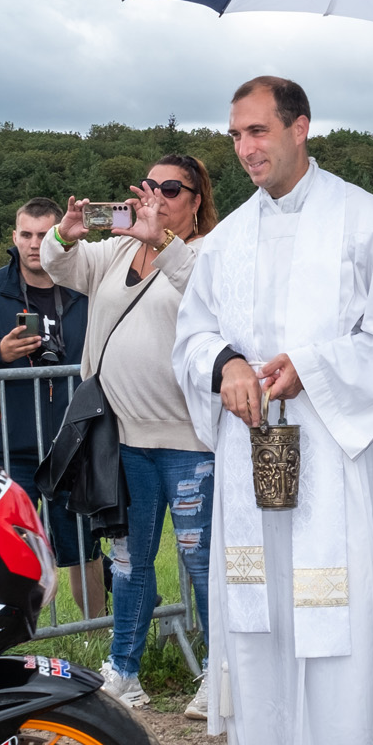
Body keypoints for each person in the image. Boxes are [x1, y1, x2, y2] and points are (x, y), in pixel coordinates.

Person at [175, 76, 373, 745]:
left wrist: (308, 368)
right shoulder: (226, 238)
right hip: (251, 459)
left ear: (300, 127)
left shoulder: (361, 219)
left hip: (329, 457)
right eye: (237, 136)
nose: (247, 148)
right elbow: (195, 331)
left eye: (258, 131)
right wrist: (224, 365)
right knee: (265, 620)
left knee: (330, 622)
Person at [48, 154, 220, 716]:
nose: (158, 195)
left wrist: (165, 242)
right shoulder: (117, 248)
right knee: (129, 560)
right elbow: (62, 269)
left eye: (172, 188)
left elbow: (210, 295)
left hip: (190, 439)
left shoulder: (206, 252)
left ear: (196, 199)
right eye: (150, 186)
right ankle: (124, 671)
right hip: (123, 436)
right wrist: (63, 236)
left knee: (200, 563)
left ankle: (222, 676)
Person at [0, 199, 98, 610]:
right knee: (10, 555)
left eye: (45, 235)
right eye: (26, 235)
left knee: (85, 550)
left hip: (76, 444)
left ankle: (94, 638)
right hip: (8, 448)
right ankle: (12, 646)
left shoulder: (86, 286)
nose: (35, 245)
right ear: (14, 236)